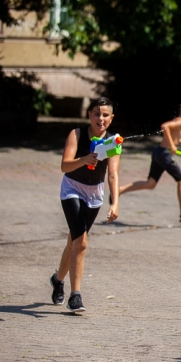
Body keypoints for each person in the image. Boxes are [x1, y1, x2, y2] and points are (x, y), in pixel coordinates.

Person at [50, 97, 120, 314]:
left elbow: (113, 174)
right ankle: (75, 296)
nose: (101, 119)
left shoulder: (112, 142)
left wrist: (115, 203)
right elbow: (64, 165)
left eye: (105, 115)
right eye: (96, 114)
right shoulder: (77, 134)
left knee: (74, 242)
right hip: (72, 188)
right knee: (81, 242)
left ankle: (57, 279)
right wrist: (84, 159)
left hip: (94, 194)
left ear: (111, 118)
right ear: (89, 115)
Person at [119, 101, 181, 222]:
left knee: (150, 183)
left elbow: (175, 139)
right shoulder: (180, 122)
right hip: (164, 154)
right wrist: (172, 146)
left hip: (159, 152)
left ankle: (119, 190)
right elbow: (164, 126)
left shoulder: (179, 122)